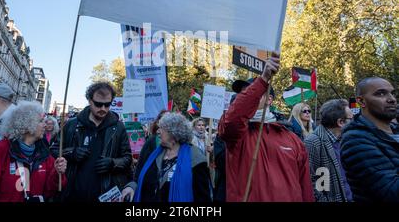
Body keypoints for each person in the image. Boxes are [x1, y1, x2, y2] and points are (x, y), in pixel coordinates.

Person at [219, 52, 314, 202]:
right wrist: (263, 79)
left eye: (252, 92)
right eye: (243, 94)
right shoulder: (237, 136)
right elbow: (232, 119)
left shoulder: (292, 139)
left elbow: (305, 187)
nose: (244, 96)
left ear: (269, 99)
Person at [0, 101, 67, 202]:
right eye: (40, 121)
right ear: (26, 124)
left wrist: (58, 173)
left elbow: (50, 190)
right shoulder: (0, 151)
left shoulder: (44, 153)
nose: (45, 125)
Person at [56, 82, 133, 202]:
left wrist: (112, 163)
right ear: (89, 100)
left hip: (105, 194)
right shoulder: (72, 124)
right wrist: (72, 152)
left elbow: (127, 158)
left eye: (107, 105)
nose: (103, 109)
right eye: (98, 104)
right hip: (72, 194)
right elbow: (54, 150)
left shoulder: (118, 127)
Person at [127, 112, 212, 202]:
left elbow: (203, 197)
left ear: (174, 133)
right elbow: (140, 175)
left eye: (162, 128)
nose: (158, 131)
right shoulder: (156, 154)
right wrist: (131, 187)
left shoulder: (195, 158)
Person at [341, 77, 398, 202]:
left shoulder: (395, 131)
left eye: (392, 93)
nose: (392, 99)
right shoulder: (355, 140)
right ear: (361, 101)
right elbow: (392, 192)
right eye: (381, 93)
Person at [305, 99, 354, 202]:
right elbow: (310, 181)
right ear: (341, 122)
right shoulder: (313, 142)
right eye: (351, 119)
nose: (354, 122)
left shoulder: (345, 139)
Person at [134, 110, 168, 182]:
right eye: (163, 119)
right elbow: (141, 162)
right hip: (154, 181)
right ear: (158, 123)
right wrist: (135, 182)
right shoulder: (152, 140)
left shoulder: (179, 143)